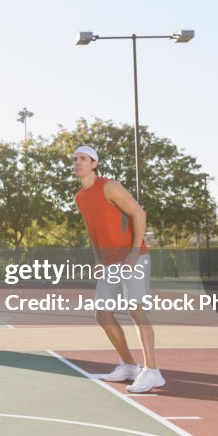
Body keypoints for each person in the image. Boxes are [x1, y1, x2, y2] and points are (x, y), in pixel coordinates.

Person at [73, 145, 165, 393]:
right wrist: (98, 260)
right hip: (110, 261)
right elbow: (92, 231)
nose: (77, 163)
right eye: (75, 159)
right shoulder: (80, 197)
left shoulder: (109, 186)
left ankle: (152, 370)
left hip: (133, 256)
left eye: (82, 159)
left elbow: (138, 212)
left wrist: (135, 251)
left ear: (94, 163)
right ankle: (128, 365)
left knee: (135, 310)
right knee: (102, 313)